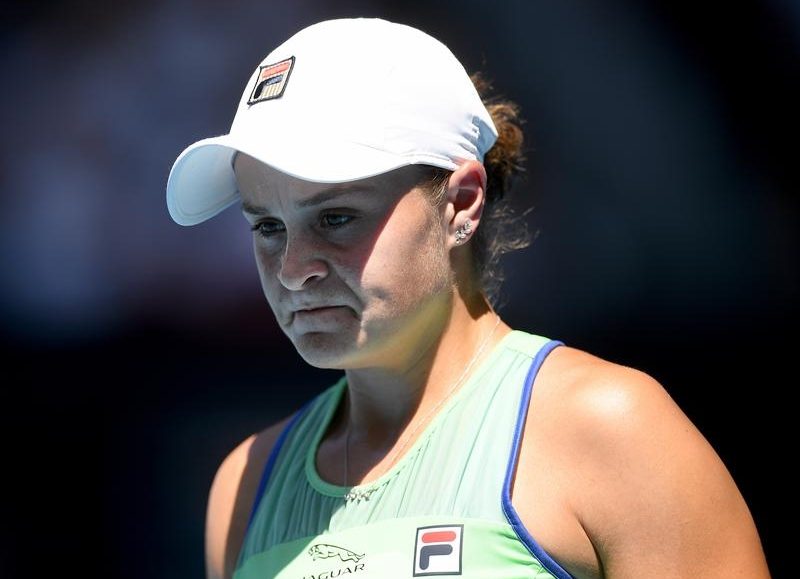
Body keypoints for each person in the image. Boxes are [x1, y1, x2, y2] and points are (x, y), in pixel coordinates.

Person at [166, 18, 770, 579]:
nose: (294, 269)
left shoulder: (612, 429)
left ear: (461, 203)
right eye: (268, 226)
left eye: (337, 217)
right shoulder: (245, 484)